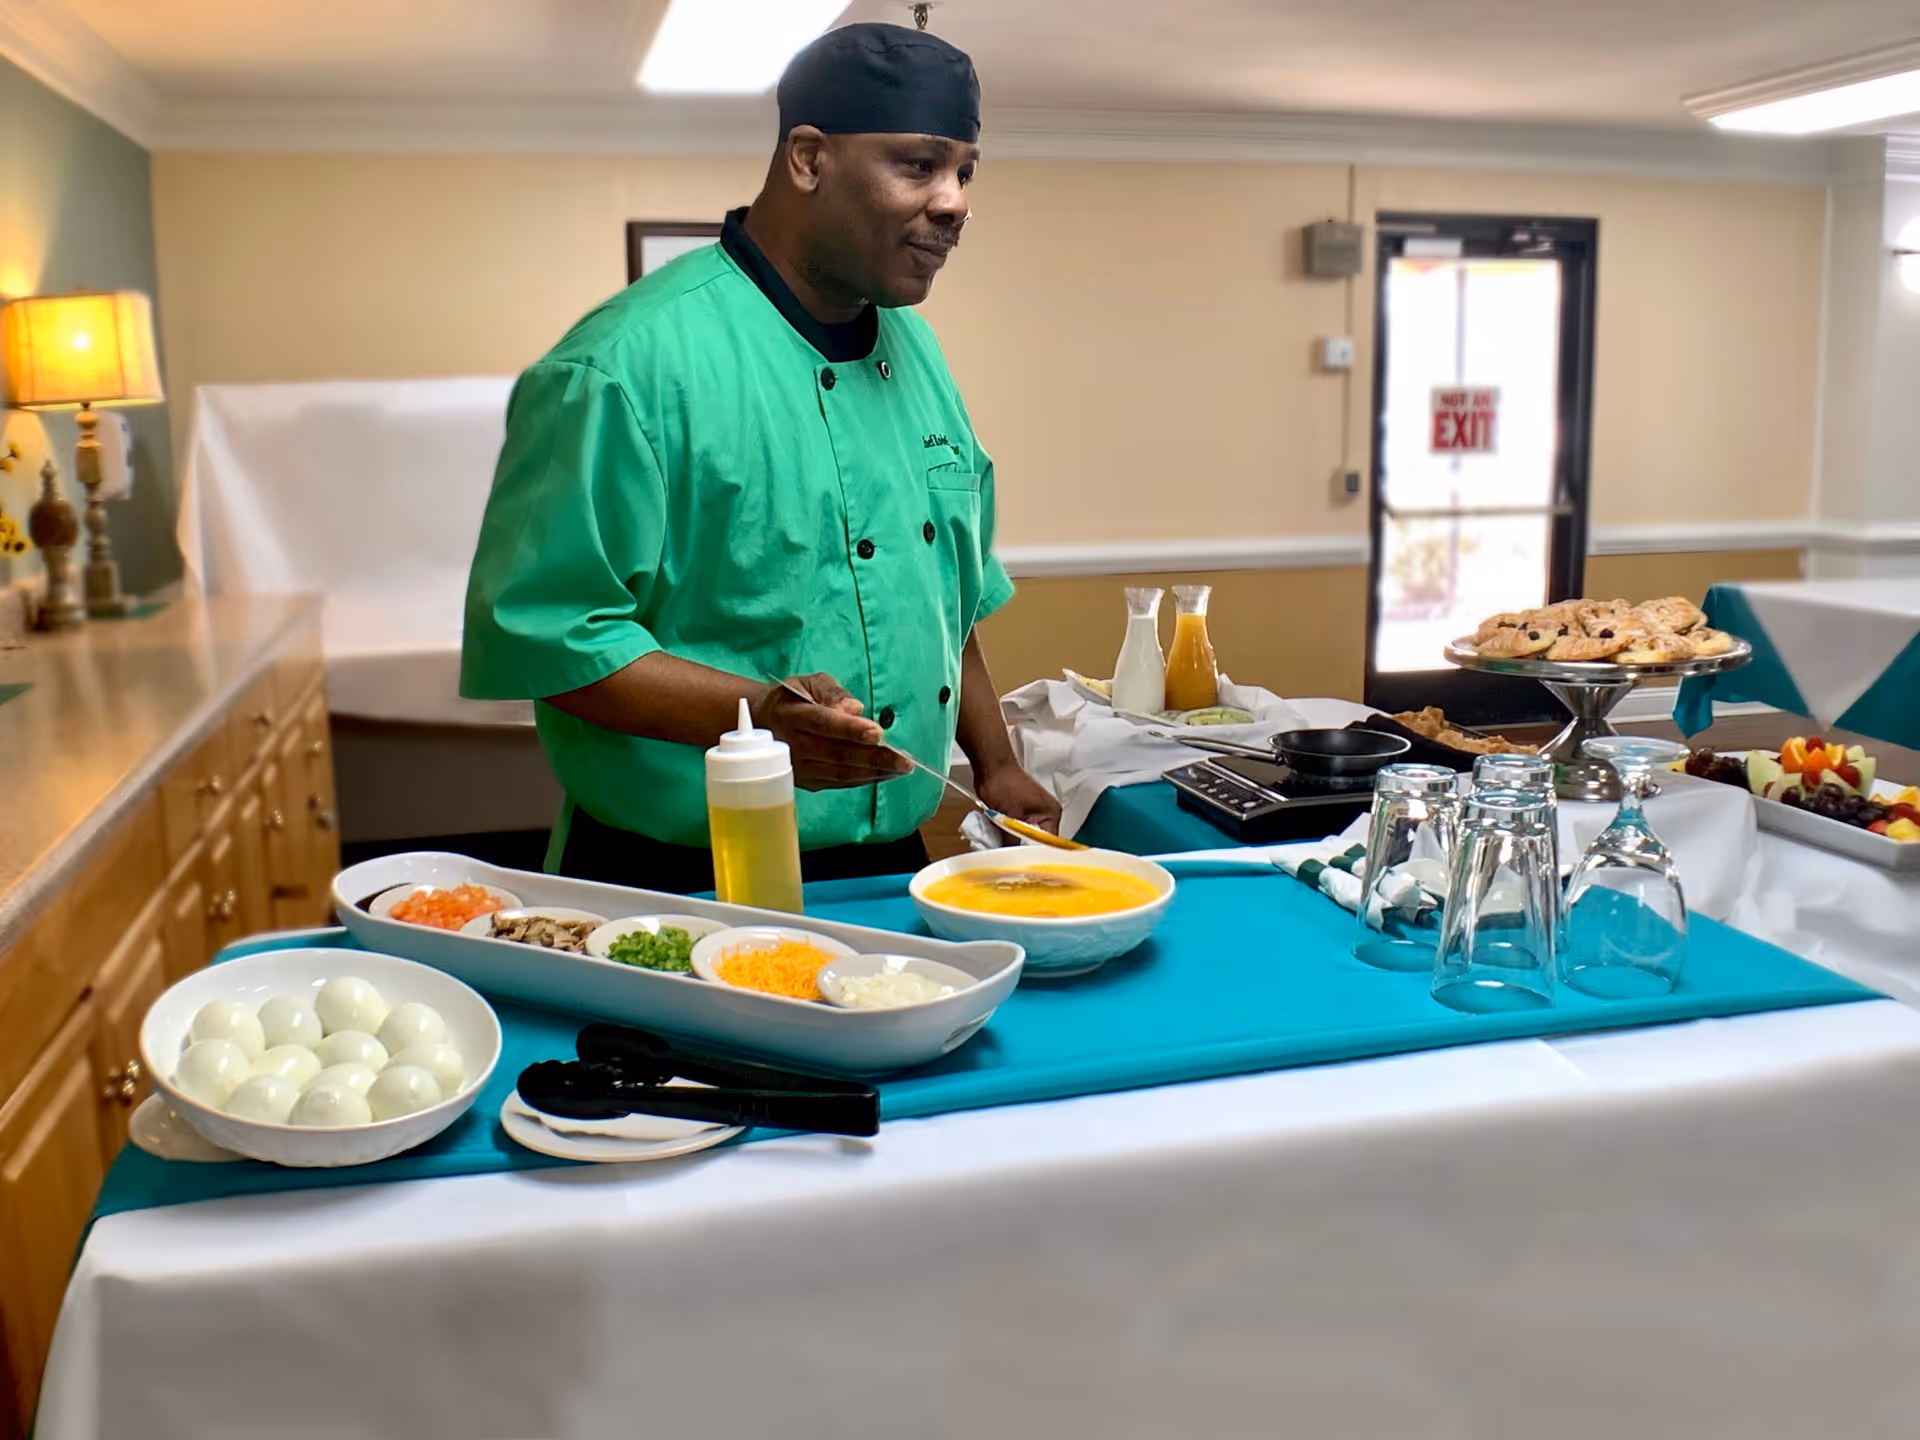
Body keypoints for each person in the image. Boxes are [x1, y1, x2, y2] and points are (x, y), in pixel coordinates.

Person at [461, 21, 1061, 892]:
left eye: (966, 171)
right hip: (673, 874)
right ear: (809, 160)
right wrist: (756, 719)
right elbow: (552, 636)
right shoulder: (625, 365)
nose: (955, 201)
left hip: (889, 861)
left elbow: (945, 595)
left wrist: (995, 763)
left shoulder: (918, 355)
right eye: (919, 164)